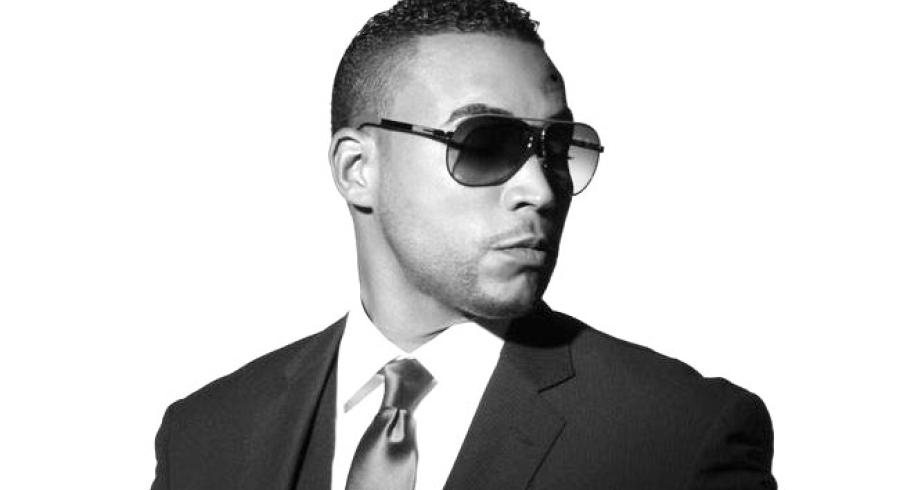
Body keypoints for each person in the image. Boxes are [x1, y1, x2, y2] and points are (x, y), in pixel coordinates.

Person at [150, 1, 777, 488]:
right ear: (356, 168)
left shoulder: (679, 435)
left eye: (556, 148)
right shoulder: (205, 436)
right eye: (483, 144)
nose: (540, 189)